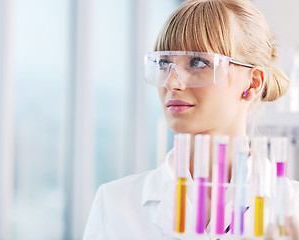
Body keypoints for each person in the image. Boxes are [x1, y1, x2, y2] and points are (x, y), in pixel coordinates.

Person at [83, 0, 299, 239]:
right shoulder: (115, 205)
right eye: (165, 63)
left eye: (198, 63)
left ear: (253, 82)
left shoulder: (293, 209)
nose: (172, 83)